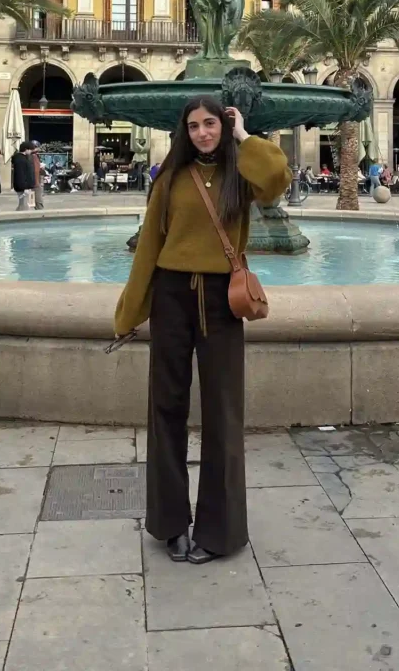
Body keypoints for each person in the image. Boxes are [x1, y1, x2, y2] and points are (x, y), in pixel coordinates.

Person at [114, 97, 290, 565]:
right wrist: (130, 312)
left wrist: (245, 134)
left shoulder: (242, 175)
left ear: (223, 125)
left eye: (210, 123)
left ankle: (220, 530)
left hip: (222, 300)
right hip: (172, 296)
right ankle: (170, 523)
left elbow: (277, 178)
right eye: (194, 126)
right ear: (184, 132)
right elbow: (150, 243)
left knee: (223, 413)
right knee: (166, 408)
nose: (202, 133)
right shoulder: (170, 177)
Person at [11, 142, 35, 211]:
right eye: (30, 149)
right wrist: (25, 187)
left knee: (24, 205)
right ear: (26, 149)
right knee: (24, 206)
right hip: (24, 187)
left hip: (25, 186)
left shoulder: (23, 158)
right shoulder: (21, 159)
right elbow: (21, 174)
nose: (31, 151)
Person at [30, 141, 45, 210]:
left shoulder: (35, 156)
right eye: (36, 147)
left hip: (36, 181)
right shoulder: (32, 156)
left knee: (34, 201)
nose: (38, 149)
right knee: (37, 201)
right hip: (35, 182)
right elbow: (35, 170)